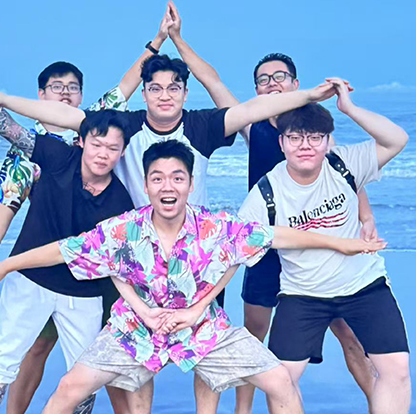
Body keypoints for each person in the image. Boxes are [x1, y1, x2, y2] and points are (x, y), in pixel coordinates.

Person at [0, 140, 386, 414]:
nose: (168, 186)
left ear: (189, 184)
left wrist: (342, 243)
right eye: (158, 178)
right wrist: (2, 266)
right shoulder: (122, 229)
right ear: (146, 185)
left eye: (177, 178)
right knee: (70, 387)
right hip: (134, 330)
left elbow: (277, 235)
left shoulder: (215, 227)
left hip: (202, 329)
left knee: (279, 381)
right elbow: (63, 249)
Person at [0, 13, 174, 411]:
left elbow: (126, 86)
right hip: (29, 279)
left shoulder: (119, 200)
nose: (103, 153)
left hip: (84, 293)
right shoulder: (53, 153)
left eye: (113, 149)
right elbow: (5, 130)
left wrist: (158, 41)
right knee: (1, 369)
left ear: (122, 151)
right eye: (97, 145)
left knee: (85, 382)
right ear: (83, 140)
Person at [162, 3, 378, 410]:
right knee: (252, 336)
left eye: (280, 76)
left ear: (295, 83)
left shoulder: (315, 130)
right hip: (266, 245)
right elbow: (212, 80)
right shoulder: (252, 124)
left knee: (348, 334)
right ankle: (243, 410)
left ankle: (378, 403)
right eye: (263, 80)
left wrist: (365, 218)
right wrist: (177, 39)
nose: (272, 83)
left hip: (317, 245)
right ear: (258, 92)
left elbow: (348, 176)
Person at [238, 79, 410, 414]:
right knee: (282, 380)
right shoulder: (267, 191)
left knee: (396, 369)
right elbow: (242, 240)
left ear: (328, 141)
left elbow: (397, 139)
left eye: (315, 137)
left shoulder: (344, 163)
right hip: (301, 294)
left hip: (363, 286)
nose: (305, 146)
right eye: (295, 138)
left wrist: (349, 108)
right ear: (282, 143)